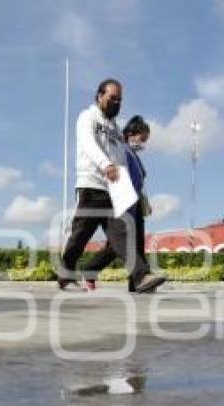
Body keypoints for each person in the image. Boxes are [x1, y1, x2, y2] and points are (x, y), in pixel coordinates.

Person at [59, 78, 165, 293]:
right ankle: (66, 277)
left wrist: (126, 191)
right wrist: (105, 163)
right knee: (80, 235)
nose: (116, 103)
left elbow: (121, 159)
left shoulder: (116, 129)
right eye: (112, 98)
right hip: (91, 186)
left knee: (122, 235)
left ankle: (140, 276)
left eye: (120, 100)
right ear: (99, 96)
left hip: (112, 190)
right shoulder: (87, 117)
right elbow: (88, 143)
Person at [122, 115, 153, 292]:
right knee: (120, 246)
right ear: (131, 134)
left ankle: (138, 281)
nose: (143, 143)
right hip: (127, 203)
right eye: (142, 138)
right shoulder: (123, 151)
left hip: (136, 204)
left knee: (138, 243)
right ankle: (90, 270)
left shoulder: (133, 155)